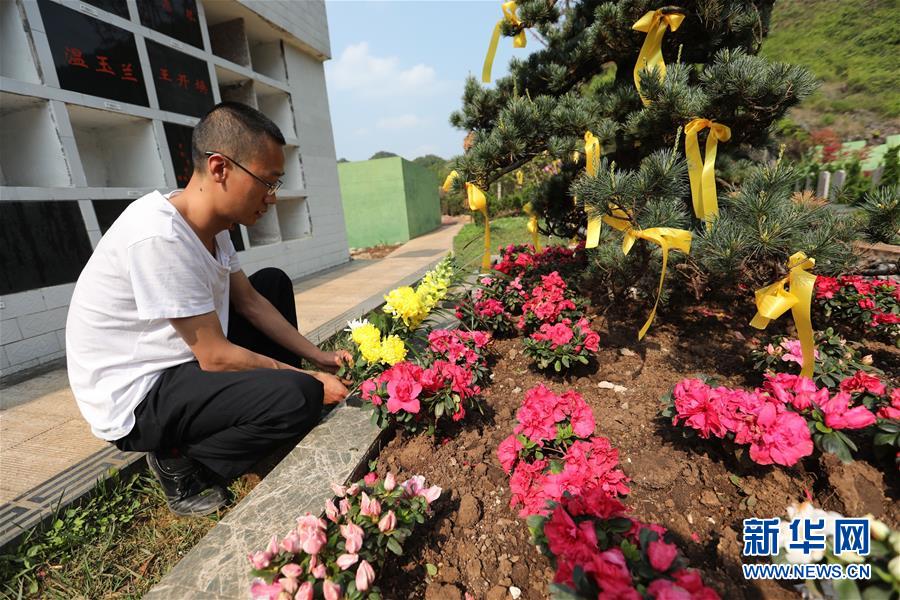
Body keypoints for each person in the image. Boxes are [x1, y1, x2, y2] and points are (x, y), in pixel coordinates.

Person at [65, 102, 351, 516]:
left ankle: (278, 405)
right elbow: (215, 356)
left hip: (177, 363)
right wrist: (308, 379)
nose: (272, 198)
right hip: (139, 395)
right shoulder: (159, 236)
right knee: (299, 396)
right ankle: (182, 460)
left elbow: (250, 303)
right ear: (220, 168)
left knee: (270, 283)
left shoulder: (213, 229)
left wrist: (317, 356)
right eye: (267, 182)